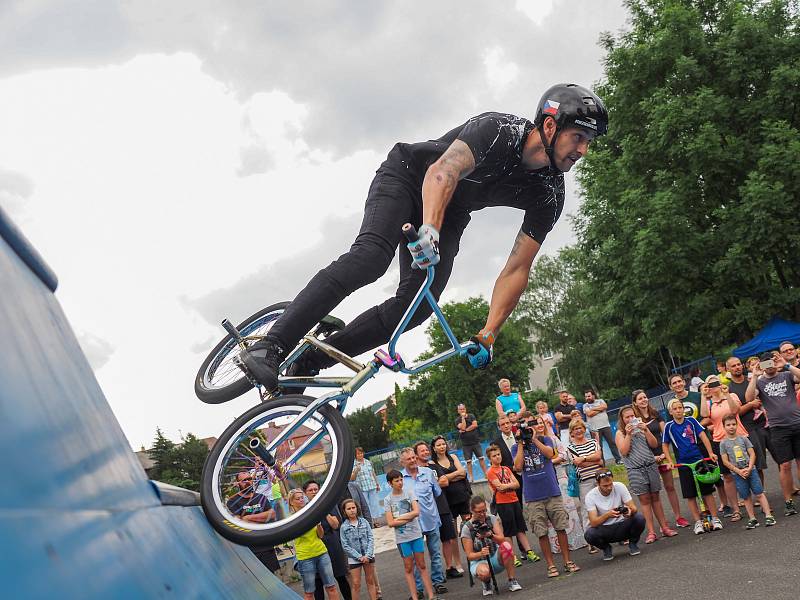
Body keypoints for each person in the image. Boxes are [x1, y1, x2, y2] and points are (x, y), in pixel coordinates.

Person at [237, 85, 609, 394]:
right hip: (408, 179)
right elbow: (442, 172)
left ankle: (312, 360)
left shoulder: (549, 193)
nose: (582, 151)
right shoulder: (498, 130)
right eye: (578, 137)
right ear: (549, 126)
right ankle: (272, 344)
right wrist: (427, 228)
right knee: (370, 258)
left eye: (588, 142)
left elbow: (517, 267)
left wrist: (490, 332)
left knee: (417, 307)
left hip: (450, 216)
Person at [512, 410, 580, 578]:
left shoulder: (546, 439)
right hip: (533, 496)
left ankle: (567, 561)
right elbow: (518, 467)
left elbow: (550, 455)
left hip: (552, 491)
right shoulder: (515, 447)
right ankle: (550, 565)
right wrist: (521, 442)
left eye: (531, 425)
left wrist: (534, 438)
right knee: (541, 532)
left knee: (560, 528)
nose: (529, 429)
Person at [746, 351, 800, 516]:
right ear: (761, 366)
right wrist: (755, 376)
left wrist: (786, 364)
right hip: (778, 428)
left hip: (797, 424)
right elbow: (749, 398)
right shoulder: (760, 382)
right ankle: (788, 501)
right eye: (765, 364)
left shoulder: (786, 375)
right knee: (784, 465)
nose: (769, 366)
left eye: (771, 362)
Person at [615, 405, 678, 543]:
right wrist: (629, 434)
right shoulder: (620, 433)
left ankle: (665, 528)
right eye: (627, 417)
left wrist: (646, 430)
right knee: (645, 500)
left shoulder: (642, 428)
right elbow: (624, 451)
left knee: (656, 497)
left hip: (651, 466)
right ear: (622, 419)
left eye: (632, 416)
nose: (631, 419)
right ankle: (651, 532)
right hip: (635, 470)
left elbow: (654, 444)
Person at [661, 399, 723, 535]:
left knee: (707, 491)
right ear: (671, 412)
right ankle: (698, 522)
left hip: (699, 461)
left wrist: (711, 452)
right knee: (690, 495)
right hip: (683, 464)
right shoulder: (669, 426)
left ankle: (715, 518)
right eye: (675, 408)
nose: (678, 410)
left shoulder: (691, 421)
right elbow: (665, 445)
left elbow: (704, 437)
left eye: (680, 407)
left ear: (683, 409)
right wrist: (670, 460)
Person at [631, 390, 688, 528]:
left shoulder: (656, 414)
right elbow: (638, 441)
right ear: (635, 402)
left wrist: (664, 454)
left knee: (670, 487)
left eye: (645, 397)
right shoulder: (634, 419)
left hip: (662, 456)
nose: (644, 400)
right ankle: (663, 524)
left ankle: (678, 517)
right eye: (640, 398)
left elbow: (665, 435)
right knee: (654, 493)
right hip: (647, 460)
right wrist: (652, 457)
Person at [383, 469, 442, 600]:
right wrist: (407, 517)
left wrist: (400, 518)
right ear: (390, 483)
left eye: (401, 479)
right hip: (403, 539)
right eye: (396, 480)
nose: (400, 482)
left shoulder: (410, 493)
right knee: (409, 568)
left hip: (416, 535)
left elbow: (416, 512)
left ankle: (431, 595)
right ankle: (414, 597)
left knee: (422, 565)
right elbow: (390, 523)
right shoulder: (388, 499)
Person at [699, 374, 748, 521]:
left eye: (716, 382)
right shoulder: (708, 403)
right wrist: (703, 395)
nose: (714, 386)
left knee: (747, 470)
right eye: (710, 384)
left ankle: (752, 502)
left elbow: (735, 411)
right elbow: (704, 415)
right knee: (727, 476)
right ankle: (736, 509)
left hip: (739, 437)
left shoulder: (730, 395)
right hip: (720, 441)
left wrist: (726, 394)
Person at [400, 447, 448, 596]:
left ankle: (438, 582)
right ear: (402, 462)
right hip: (413, 525)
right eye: (409, 459)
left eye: (414, 457)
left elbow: (437, 492)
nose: (413, 460)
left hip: (431, 519)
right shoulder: (400, 479)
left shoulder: (427, 473)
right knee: (415, 559)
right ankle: (419, 589)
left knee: (435, 553)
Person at [415, 440, 463, 579]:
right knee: (432, 543)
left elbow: (445, 481)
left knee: (447, 538)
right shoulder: (416, 471)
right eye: (421, 451)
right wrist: (435, 483)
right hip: (425, 512)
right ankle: (433, 572)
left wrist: (430, 484)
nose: (425, 452)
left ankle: (449, 567)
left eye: (426, 450)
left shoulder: (434, 466)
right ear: (416, 455)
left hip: (442, 506)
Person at [718, 415, 776, 529]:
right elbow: (725, 461)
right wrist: (738, 471)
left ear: (737, 425)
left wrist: (749, 467)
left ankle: (769, 516)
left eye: (733, 424)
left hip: (751, 470)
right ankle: (752, 519)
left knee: (759, 493)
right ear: (724, 427)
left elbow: (752, 454)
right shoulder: (723, 443)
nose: (731, 427)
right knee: (746, 497)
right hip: (737, 474)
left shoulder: (743, 438)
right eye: (728, 425)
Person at [485, 444, 539, 565]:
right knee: (508, 531)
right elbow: (499, 487)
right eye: (494, 456)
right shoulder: (490, 472)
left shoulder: (506, 469)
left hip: (514, 500)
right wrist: (509, 485)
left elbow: (517, 484)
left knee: (520, 528)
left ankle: (529, 551)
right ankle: (512, 556)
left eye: (498, 454)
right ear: (490, 458)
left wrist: (507, 486)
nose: (497, 457)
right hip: (503, 503)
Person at [460, 495, 523, 595]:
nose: (482, 514)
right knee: (484, 573)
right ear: (471, 510)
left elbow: (502, 539)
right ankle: (486, 582)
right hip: (479, 562)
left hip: (495, 557)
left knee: (507, 546)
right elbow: (469, 556)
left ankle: (512, 580)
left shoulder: (491, 519)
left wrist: (490, 535)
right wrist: (481, 553)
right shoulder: (467, 528)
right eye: (479, 512)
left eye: (484, 510)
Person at [303, 481, 353, 600]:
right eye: (310, 490)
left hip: (332, 543)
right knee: (318, 583)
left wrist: (323, 510)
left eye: (316, 489)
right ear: (305, 493)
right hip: (315, 548)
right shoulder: (304, 509)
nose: (314, 492)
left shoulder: (328, 504)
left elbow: (336, 525)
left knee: (341, 577)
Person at [288, 489, 340, 600]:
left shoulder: (310, 513)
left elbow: (320, 535)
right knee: (309, 592)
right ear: (291, 502)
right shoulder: (291, 519)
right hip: (305, 556)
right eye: (298, 498)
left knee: (331, 586)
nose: (301, 500)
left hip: (321, 552)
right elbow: (296, 535)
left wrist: (319, 525)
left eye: (302, 497)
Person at [583, 471, 646, 561]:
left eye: (610, 484)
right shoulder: (590, 496)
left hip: (622, 524)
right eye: (605, 486)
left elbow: (634, 508)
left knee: (639, 518)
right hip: (605, 530)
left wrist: (629, 511)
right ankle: (606, 548)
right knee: (589, 534)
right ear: (597, 484)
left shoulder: (619, 486)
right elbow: (593, 523)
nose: (609, 488)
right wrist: (607, 515)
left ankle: (633, 543)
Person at [429, 435, 469, 578]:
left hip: (462, 497)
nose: (442, 447)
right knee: (452, 536)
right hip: (447, 501)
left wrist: (447, 477)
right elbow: (440, 482)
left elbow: (462, 473)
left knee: (469, 528)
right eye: (438, 445)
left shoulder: (453, 457)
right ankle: (457, 563)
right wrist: (454, 475)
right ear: (433, 448)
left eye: (443, 444)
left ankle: (473, 556)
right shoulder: (432, 463)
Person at [726, 356, 769, 486]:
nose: (737, 367)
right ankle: (760, 494)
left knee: (782, 459)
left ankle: (790, 489)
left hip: (766, 423)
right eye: (733, 366)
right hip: (748, 428)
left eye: (739, 364)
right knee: (758, 463)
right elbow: (735, 412)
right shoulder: (729, 388)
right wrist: (750, 404)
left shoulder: (751, 379)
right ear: (728, 369)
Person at [226, 471, 280, 573]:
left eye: (249, 479)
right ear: (237, 483)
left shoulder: (260, 497)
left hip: (266, 546)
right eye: (244, 480)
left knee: (272, 578)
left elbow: (272, 514)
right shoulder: (233, 501)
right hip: (249, 549)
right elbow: (239, 524)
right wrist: (261, 519)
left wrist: (248, 518)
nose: (247, 482)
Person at [339, 499, 378, 600]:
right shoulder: (344, 527)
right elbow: (345, 545)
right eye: (349, 509)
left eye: (353, 508)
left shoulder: (364, 522)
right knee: (356, 584)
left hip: (368, 556)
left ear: (357, 508)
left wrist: (368, 555)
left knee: (370, 580)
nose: (352, 510)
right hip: (354, 559)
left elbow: (370, 538)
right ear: (344, 511)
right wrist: (359, 557)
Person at [582, 389, 622, 464]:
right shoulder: (585, 405)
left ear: (593, 395)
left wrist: (593, 409)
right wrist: (600, 409)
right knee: (598, 447)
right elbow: (589, 414)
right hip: (594, 429)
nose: (587, 398)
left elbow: (605, 406)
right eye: (586, 396)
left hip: (605, 425)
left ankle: (618, 459)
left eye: (589, 396)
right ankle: (602, 463)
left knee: (612, 443)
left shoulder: (600, 401)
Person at [455, 403, 487, 482]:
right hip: (466, 444)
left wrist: (465, 430)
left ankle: (486, 474)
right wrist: (463, 418)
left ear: (465, 409)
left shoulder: (471, 416)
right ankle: (471, 477)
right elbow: (462, 426)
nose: (462, 410)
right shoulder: (457, 420)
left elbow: (475, 425)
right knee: (468, 461)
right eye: (460, 409)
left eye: (463, 409)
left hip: (476, 442)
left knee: (481, 458)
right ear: (458, 411)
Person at [351, 447, 381, 527]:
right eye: (358, 454)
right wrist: (356, 471)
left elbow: (373, 473)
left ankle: (376, 521)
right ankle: (369, 522)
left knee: (374, 504)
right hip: (362, 488)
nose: (360, 455)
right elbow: (352, 478)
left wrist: (377, 483)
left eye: (361, 453)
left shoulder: (368, 462)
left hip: (372, 485)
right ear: (355, 455)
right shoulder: (353, 464)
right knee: (366, 505)